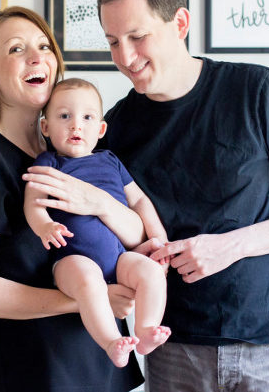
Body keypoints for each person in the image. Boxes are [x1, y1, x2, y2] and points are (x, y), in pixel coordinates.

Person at [24, 0, 269, 392]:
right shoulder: (113, 127)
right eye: (113, 42)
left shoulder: (256, 90)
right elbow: (122, 233)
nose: (124, 58)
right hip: (172, 344)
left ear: (180, 23)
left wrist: (229, 246)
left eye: (137, 37)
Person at [0, 6, 144, 392]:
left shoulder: (74, 152)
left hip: (98, 365)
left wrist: (101, 205)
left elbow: (133, 232)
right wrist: (88, 299)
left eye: (44, 46)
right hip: (34, 372)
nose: (37, 57)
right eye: (16, 49)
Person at [24, 78, 171, 368]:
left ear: (101, 129)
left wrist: (159, 239)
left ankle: (145, 330)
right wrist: (44, 225)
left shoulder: (111, 161)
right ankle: (111, 341)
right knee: (88, 279)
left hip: (119, 260)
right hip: (71, 259)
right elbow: (33, 201)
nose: (76, 126)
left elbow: (140, 201)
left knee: (152, 273)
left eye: (87, 117)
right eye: (64, 116)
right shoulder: (49, 162)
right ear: (45, 127)